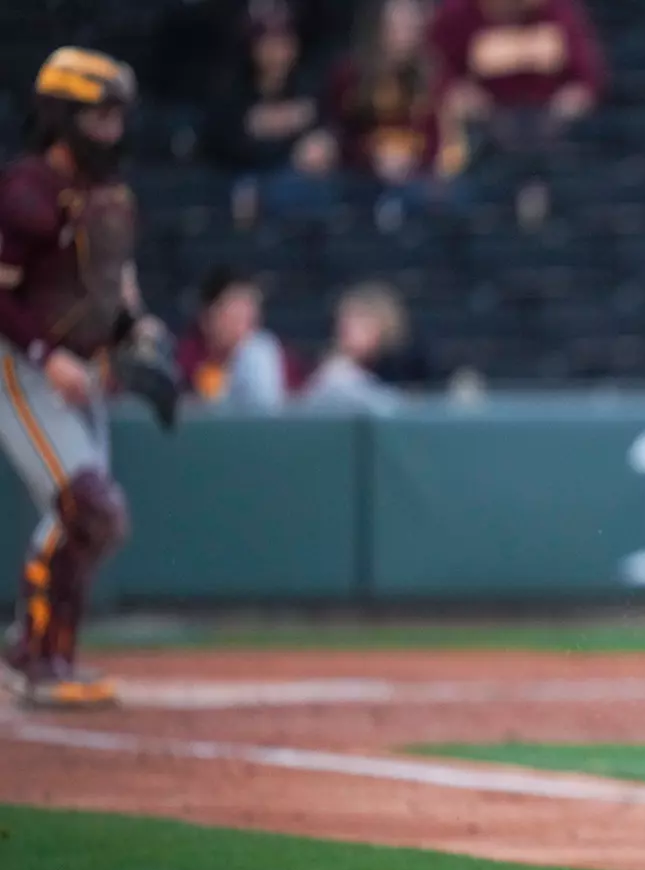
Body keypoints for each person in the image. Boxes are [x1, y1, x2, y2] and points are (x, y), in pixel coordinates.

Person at [0, 48, 181, 709]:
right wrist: (47, 354)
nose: (110, 131)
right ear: (62, 117)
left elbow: (111, 289)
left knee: (93, 517)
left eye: (116, 118)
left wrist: (137, 331)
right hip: (19, 366)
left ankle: (48, 653)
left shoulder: (112, 197)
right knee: (88, 505)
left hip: (77, 367)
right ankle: (31, 655)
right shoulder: (25, 192)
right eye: (98, 117)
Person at [429, 0, 606, 229]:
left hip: (548, 123)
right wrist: (461, 95)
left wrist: (567, 104)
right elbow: (435, 69)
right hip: (486, 125)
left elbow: (589, 78)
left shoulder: (559, 11)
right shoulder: (458, 14)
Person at [328, 0, 469, 231]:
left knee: (449, 198)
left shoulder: (435, 76)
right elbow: (341, 135)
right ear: (379, 29)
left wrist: (415, 164)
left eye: (411, 27)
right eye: (397, 27)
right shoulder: (349, 76)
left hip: (419, 178)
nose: (404, 35)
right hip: (362, 178)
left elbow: (439, 135)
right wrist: (371, 158)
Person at [202, 3, 339, 225]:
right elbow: (225, 147)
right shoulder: (232, 89)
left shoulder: (308, 87)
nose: (277, 51)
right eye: (268, 41)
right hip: (239, 180)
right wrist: (285, 143)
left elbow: (324, 138)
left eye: (284, 40)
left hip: (293, 184)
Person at [174, 267, 295, 410]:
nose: (247, 316)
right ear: (207, 315)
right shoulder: (183, 360)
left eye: (250, 305)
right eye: (236, 305)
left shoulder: (265, 353)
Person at [300, 281, 408, 413]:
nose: (347, 326)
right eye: (344, 318)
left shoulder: (400, 365)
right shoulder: (336, 371)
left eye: (361, 319)